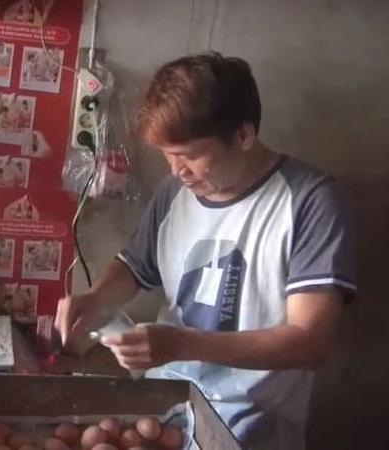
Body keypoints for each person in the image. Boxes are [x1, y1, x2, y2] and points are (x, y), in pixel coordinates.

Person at [54, 52, 355, 450]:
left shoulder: (308, 200)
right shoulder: (175, 192)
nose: (177, 171)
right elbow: (134, 268)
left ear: (244, 136)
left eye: (190, 155)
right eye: (168, 156)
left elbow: (310, 341)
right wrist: (94, 301)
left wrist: (180, 344)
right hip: (167, 408)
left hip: (250, 426)